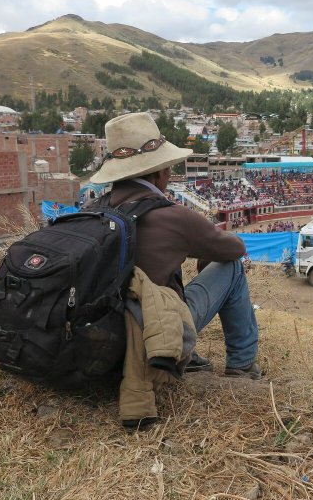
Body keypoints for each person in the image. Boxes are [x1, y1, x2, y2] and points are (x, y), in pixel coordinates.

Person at [91, 112, 261, 380]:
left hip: (102, 335)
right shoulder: (172, 216)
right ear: (160, 171)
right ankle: (242, 363)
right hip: (156, 334)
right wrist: (202, 253)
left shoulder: (91, 210)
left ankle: (191, 357)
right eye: (168, 167)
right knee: (232, 268)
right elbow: (234, 249)